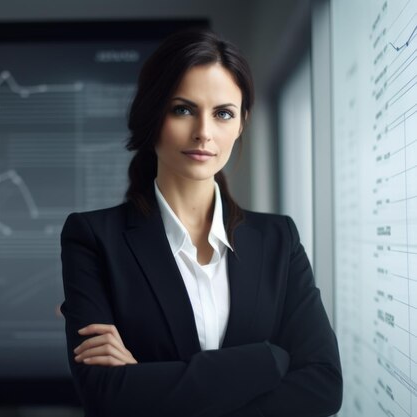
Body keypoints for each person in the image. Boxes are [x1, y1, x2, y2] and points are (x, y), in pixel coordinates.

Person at [60, 27, 342, 417]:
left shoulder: (280, 238)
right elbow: (104, 396)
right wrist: (268, 361)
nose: (204, 133)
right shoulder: (92, 239)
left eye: (223, 113)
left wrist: (146, 381)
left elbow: (324, 387)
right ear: (152, 114)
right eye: (183, 109)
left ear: (241, 123)